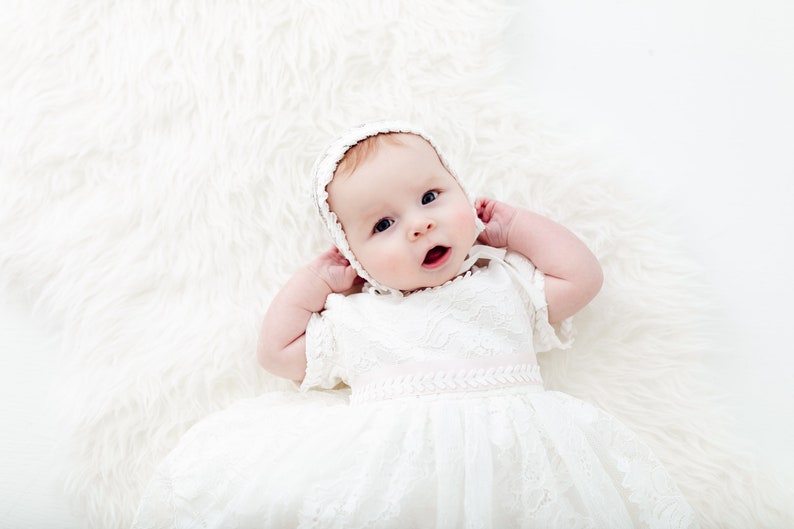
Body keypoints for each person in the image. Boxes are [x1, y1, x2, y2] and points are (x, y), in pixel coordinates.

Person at [132, 121, 698, 529]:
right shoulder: (358, 317)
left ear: (463, 194)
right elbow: (276, 353)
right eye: (383, 224)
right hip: (393, 469)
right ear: (352, 256)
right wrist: (315, 285)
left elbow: (581, 278)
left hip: (518, 455)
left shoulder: (502, 285)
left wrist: (517, 229)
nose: (420, 225)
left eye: (430, 196)